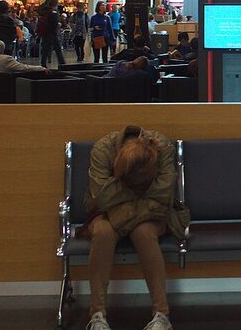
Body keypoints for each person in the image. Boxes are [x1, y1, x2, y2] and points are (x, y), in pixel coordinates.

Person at [83, 126, 188, 330]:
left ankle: (161, 314)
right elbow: (102, 197)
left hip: (152, 212)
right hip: (111, 212)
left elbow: (163, 193)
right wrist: (143, 192)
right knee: (103, 232)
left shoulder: (162, 146)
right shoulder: (102, 149)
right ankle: (97, 315)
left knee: (144, 232)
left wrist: (122, 210)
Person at [39, 0, 65, 69]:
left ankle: (43, 64)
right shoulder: (54, 13)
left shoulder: (45, 12)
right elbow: (55, 23)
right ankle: (62, 64)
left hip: (45, 33)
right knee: (58, 50)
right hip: (53, 34)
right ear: (55, 5)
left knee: (45, 50)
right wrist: (58, 25)